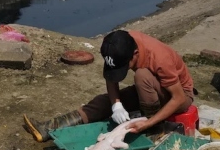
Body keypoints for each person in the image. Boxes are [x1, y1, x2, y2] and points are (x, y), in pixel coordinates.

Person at [23, 30, 195, 142]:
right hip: (151, 90)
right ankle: (50, 127)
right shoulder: (116, 45)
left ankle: (154, 130)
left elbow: (178, 98)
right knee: (104, 101)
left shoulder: (159, 57)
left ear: (135, 54)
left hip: (179, 96)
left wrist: (148, 123)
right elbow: (111, 77)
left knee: (142, 76)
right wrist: (116, 105)